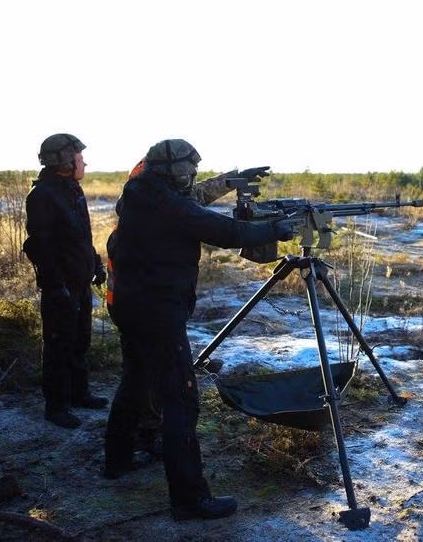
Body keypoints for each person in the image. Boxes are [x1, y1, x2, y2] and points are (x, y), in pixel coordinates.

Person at [103, 139, 293, 521]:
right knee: (181, 400)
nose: (192, 174)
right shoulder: (166, 204)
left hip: (131, 303)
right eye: (189, 167)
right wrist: (275, 228)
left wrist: (228, 181)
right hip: (156, 310)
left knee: (137, 380)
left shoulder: (144, 193)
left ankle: (118, 460)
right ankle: (189, 499)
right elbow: (225, 231)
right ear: (174, 170)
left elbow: (195, 201)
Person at [23, 133, 109, 429]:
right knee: (59, 344)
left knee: (79, 340)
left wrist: (95, 263)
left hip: (80, 280)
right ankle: (56, 406)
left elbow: (81, 236)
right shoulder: (42, 195)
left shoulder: (73, 190)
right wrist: (55, 285)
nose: (83, 161)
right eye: (79, 157)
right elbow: (40, 247)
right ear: (64, 160)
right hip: (60, 285)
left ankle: (78, 393)